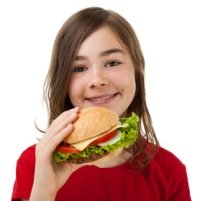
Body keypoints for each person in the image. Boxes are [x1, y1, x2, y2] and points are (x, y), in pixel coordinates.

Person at [11, 7, 191, 201]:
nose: (97, 80)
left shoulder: (170, 170)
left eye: (112, 63)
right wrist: (44, 193)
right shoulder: (36, 163)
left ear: (137, 70)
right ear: (62, 80)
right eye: (79, 68)